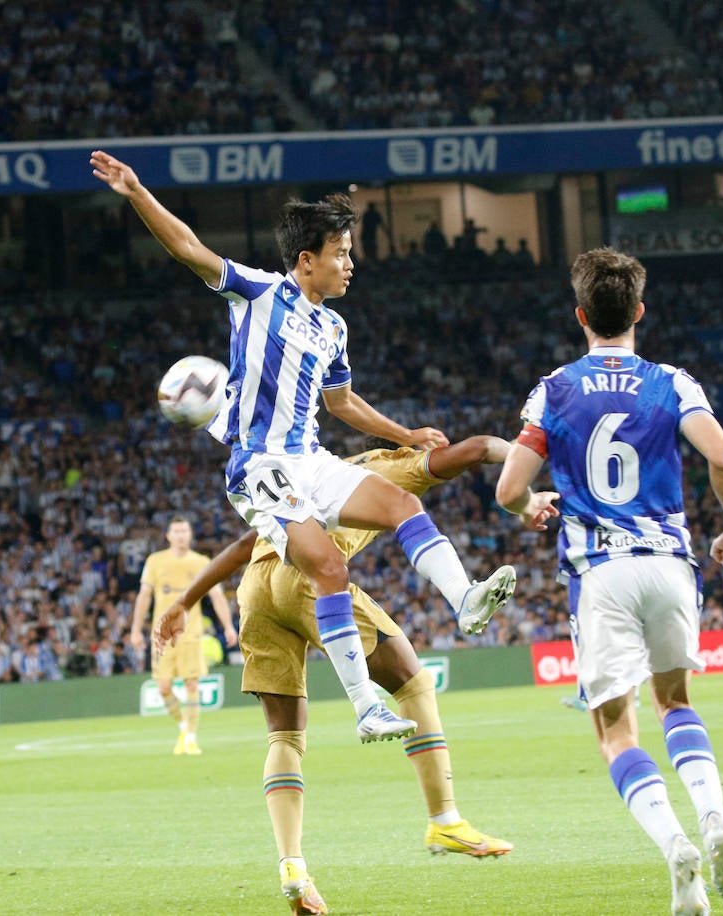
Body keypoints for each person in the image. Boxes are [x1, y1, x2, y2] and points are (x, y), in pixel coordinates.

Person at [90, 150, 515, 744]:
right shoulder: (260, 293)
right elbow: (188, 248)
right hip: (260, 466)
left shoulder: (333, 328)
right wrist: (136, 191)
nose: (350, 265)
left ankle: (466, 599)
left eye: (350, 253)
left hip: (310, 460)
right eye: (341, 254)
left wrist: (405, 435)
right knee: (329, 566)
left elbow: (342, 403)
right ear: (306, 260)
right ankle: (366, 706)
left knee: (404, 506)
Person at [155, 436, 518, 915]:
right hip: (307, 581)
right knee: (412, 681)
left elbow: (247, 543)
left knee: (284, 736)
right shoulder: (388, 470)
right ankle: (444, 818)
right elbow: (472, 452)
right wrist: (534, 453)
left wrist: (185, 600)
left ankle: (292, 866)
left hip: (255, 592)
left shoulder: (298, 473)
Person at [494, 247, 723, 916]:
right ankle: (714, 816)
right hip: (669, 563)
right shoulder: (673, 381)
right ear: (639, 312)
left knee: (615, 730)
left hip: (601, 574)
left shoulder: (555, 388)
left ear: (581, 316)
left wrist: (532, 507)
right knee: (675, 701)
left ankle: (675, 848)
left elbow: (509, 488)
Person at [130, 516, 237, 756]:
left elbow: (217, 596)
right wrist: (136, 629)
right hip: (163, 633)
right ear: (168, 535)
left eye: (184, 531)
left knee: (192, 682)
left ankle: (190, 737)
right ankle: (182, 727)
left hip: (190, 633)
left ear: (190, 535)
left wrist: (228, 626)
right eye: (176, 531)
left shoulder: (201, 562)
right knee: (164, 687)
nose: (180, 535)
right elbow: (144, 596)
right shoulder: (155, 561)